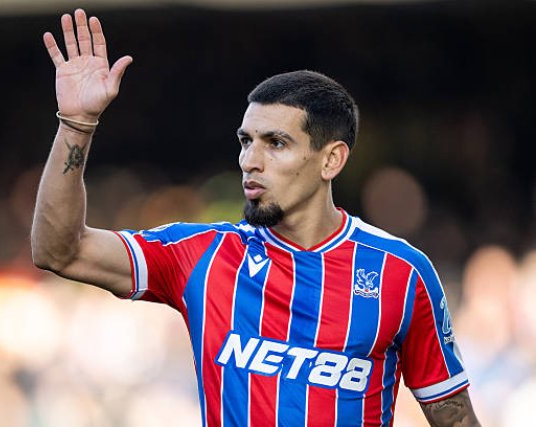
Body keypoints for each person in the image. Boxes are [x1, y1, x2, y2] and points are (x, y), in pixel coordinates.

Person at [31, 8, 481, 427]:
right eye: (246, 141)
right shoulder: (204, 257)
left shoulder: (400, 273)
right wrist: (76, 124)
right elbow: (59, 252)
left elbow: (454, 416)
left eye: (276, 143)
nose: (250, 161)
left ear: (331, 160)